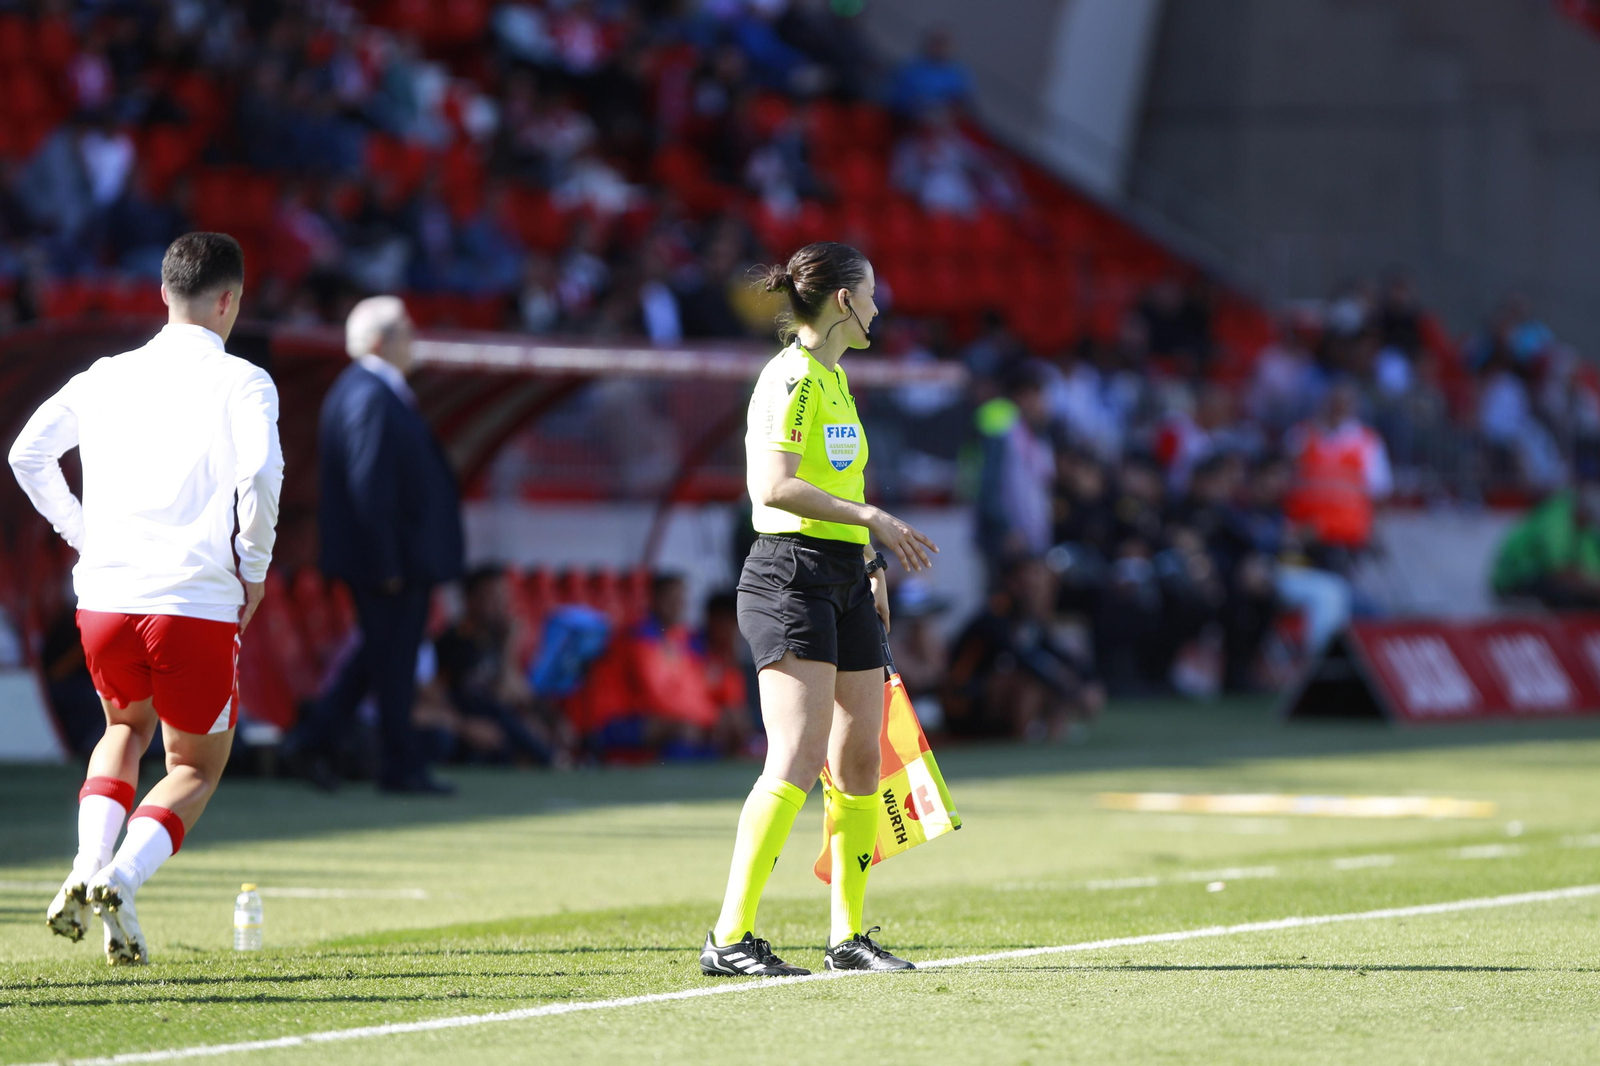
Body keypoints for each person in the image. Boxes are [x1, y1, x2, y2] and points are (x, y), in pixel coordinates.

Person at [8, 232, 282, 965]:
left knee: (123, 730)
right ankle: (121, 879)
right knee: (193, 766)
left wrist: (80, 532)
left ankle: (84, 865)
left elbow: (26, 453)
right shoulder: (245, 382)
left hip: (104, 597)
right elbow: (259, 477)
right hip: (193, 600)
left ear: (163, 294)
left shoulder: (104, 374)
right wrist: (252, 568)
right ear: (229, 301)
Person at [700, 241, 938, 979]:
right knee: (797, 759)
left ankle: (848, 940)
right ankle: (729, 938)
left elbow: (833, 478)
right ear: (843, 302)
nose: (877, 307)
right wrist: (873, 519)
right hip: (789, 575)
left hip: (842, 575)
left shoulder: (836, 381)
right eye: (870, 293)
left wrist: (867, 562)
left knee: (860, 759)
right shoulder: (791, 378)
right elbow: (772, 488)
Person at [289, 296, 463, 794]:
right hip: (388, 562)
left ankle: (313, 739)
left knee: (383, 657)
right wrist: (385, 559)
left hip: (396, 558)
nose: (414, 340)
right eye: (406, 331)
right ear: (380, 341)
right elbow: (369, 484)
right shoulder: (368, 392)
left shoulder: (374, 390)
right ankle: (397, 764)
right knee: (391, 661)